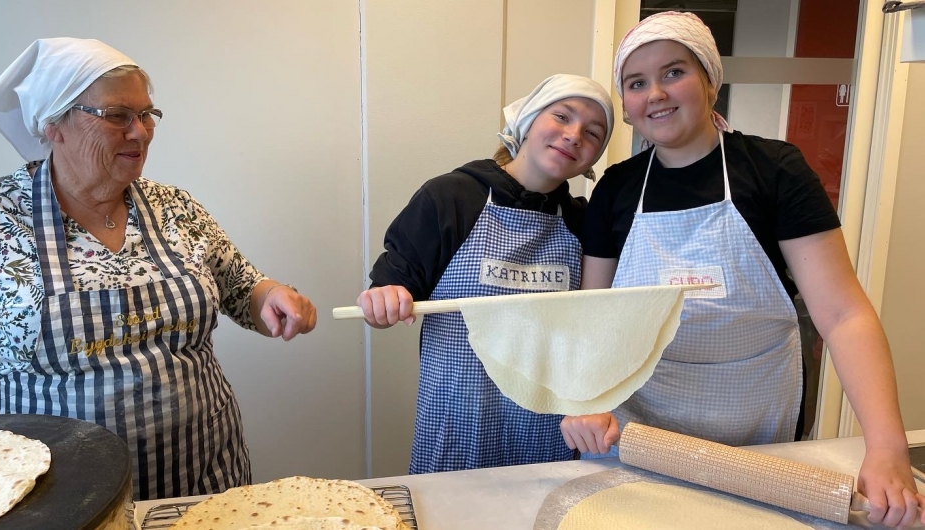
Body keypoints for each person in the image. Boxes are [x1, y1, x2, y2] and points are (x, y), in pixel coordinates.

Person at [559, 12, 925, 528]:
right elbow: (594, 315)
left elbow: (843, 315)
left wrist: (886, 445)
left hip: (756, 425)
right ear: (627, 107)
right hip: (639, 427)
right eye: (637, 83)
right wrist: (586, 400)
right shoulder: (616, 188)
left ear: (710, 80)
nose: (656, 94)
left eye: (673, 73)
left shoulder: (775, 170)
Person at [0, 38, 317, 501]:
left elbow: (244, 288)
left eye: (147, 115)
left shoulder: (175, 207)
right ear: (53, 125)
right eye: (118, 115)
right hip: (55, 494)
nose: (140, 132)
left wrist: (275, 296)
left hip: (201, 477)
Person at [357, 74, 614, 474]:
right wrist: (384, 298)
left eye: (593, 132)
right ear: (527, 122)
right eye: (562, 116)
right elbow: (393, 284)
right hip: (458, 421)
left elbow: (592, 324)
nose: (574, 135)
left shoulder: (583, 222)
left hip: (548, 426)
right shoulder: (451, 198)